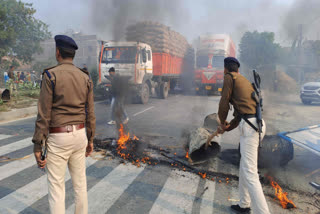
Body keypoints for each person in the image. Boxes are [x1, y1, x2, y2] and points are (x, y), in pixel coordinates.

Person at [32, 35, 96, 214]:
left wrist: (38, 145)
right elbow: (90, 113)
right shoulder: (85, 77)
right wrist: (90, 139)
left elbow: (43, 115)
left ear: (57, 52)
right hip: (80, 136)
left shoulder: (50, 75)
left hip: (58, 137)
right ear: (73, 55)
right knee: (80, 185)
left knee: (57, 189)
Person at [218, 57, 270, 214]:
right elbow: (241, 114)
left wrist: (221, 121)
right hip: (256, 124)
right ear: (238, 69)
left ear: (225, 69)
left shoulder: (229, 78)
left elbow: (224, 101)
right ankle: (244, 205)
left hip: (250, 128)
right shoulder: (242, 79)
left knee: (250, 173)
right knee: (244, 168)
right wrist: (227, 128)